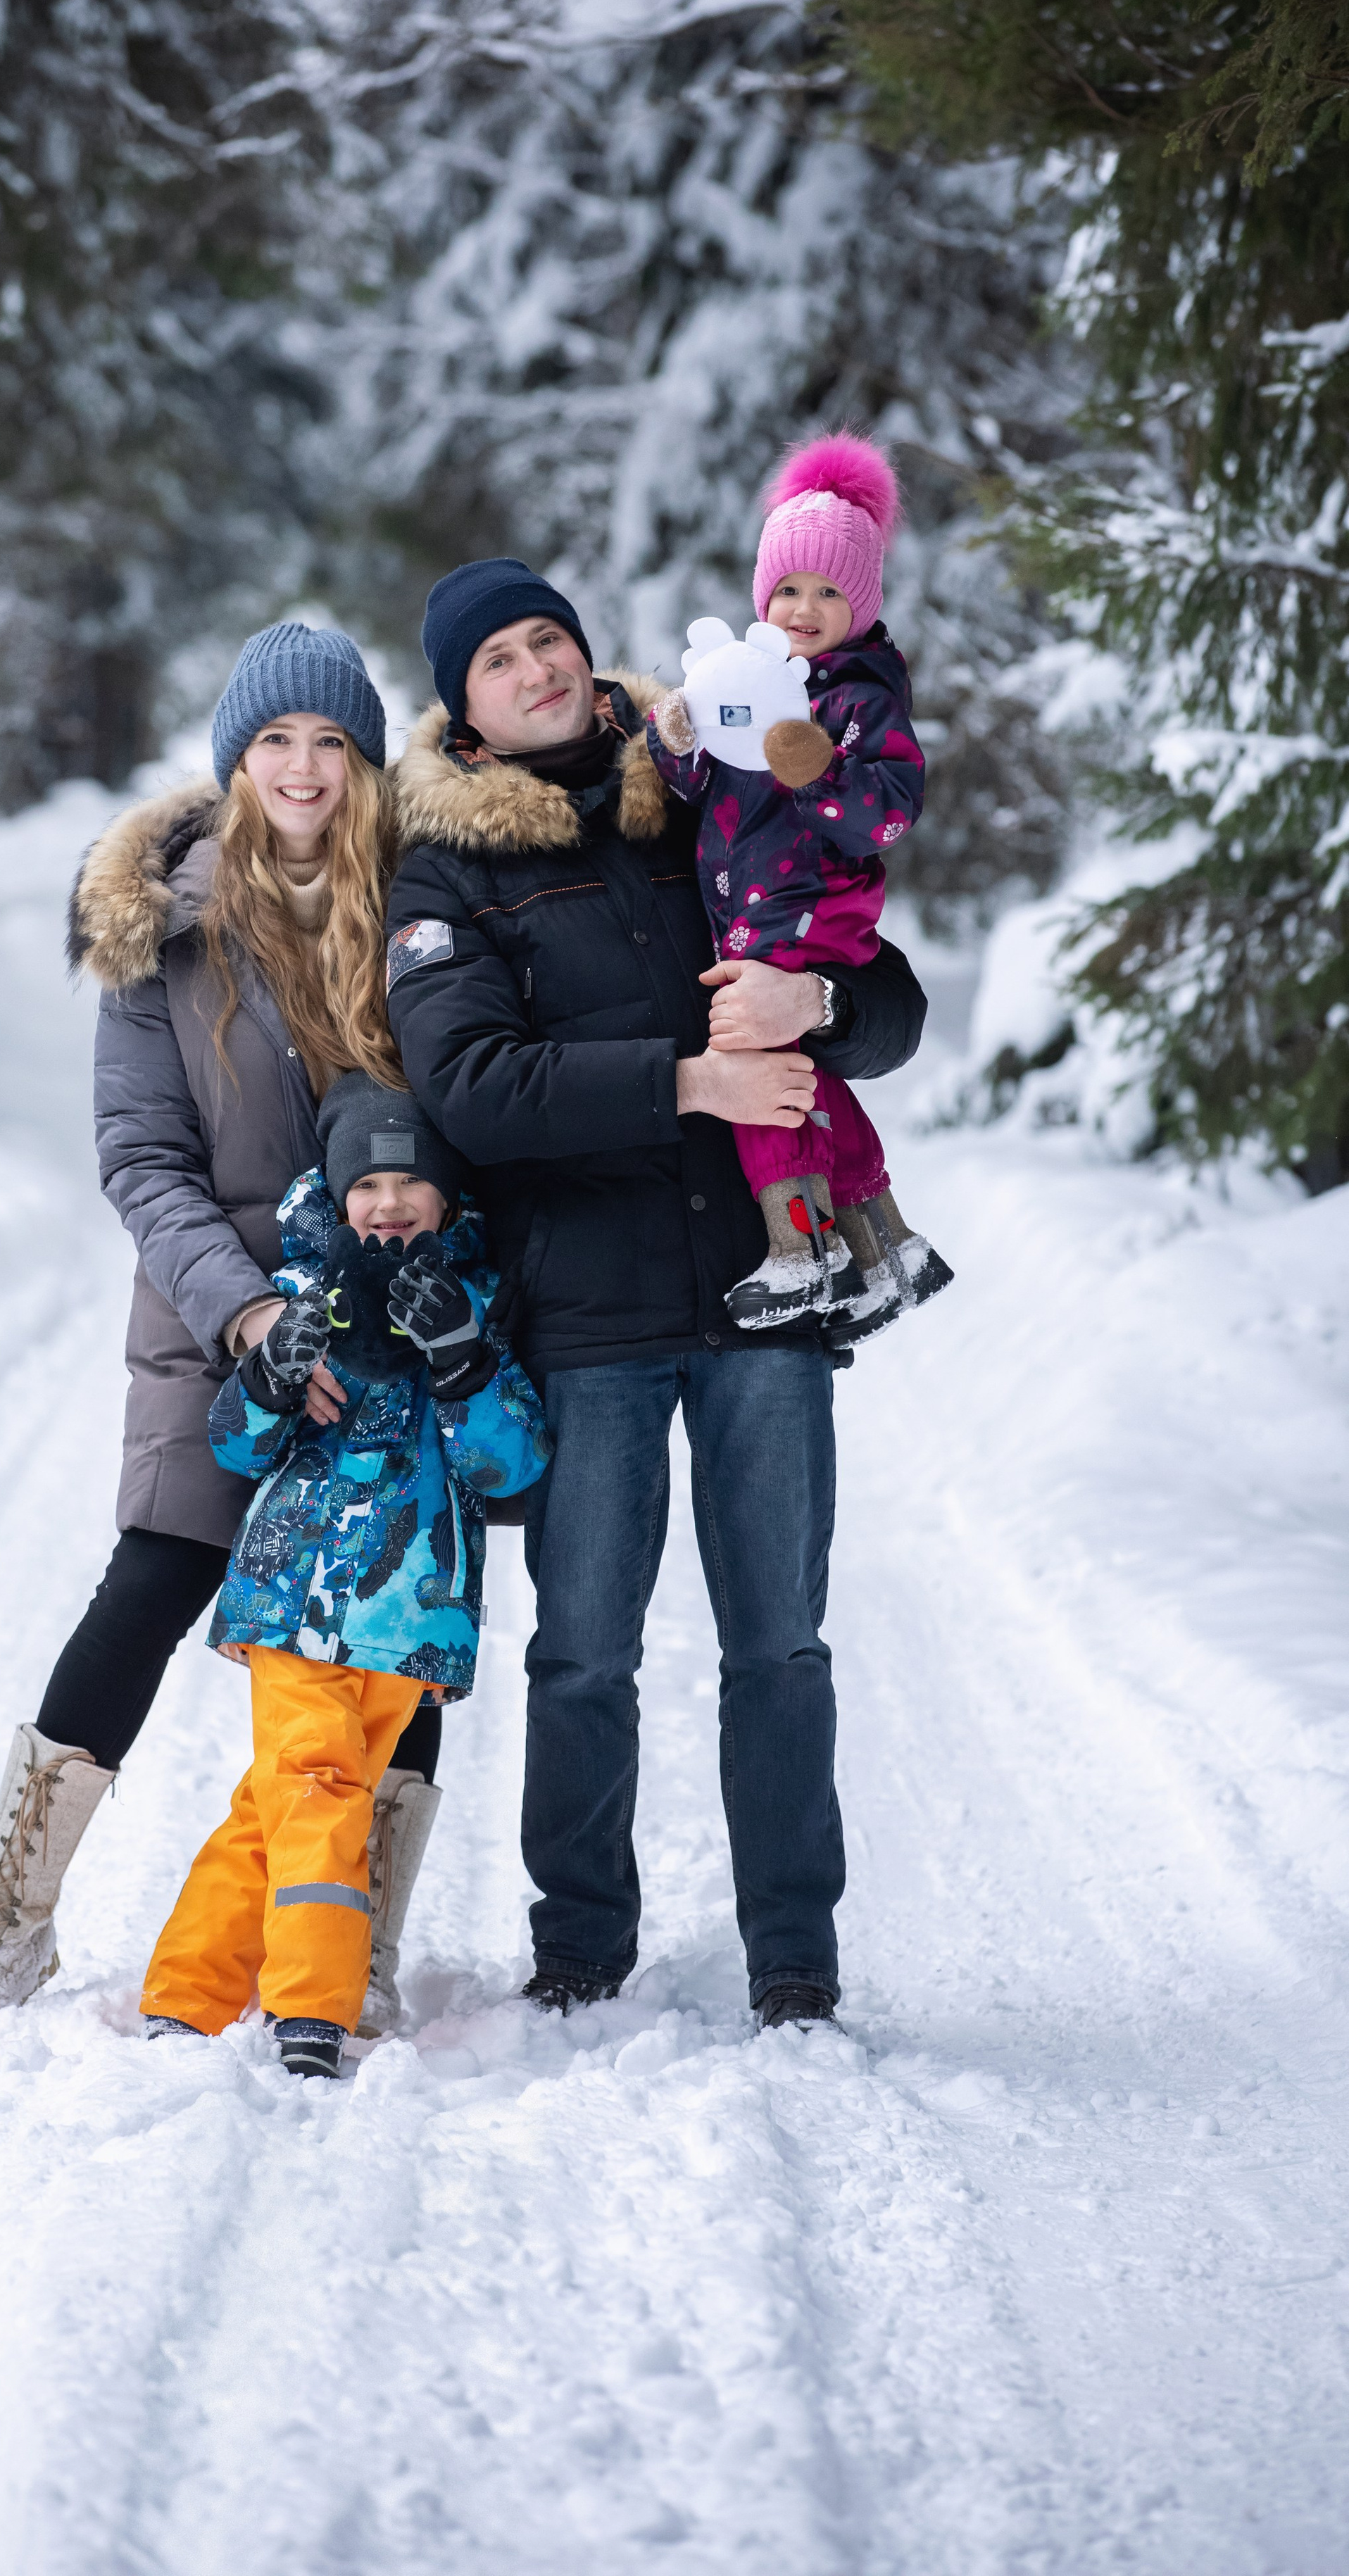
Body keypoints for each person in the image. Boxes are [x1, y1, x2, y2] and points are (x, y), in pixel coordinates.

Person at [383, 555, 927, 2030]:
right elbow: (470, 1085)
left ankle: (795, 1959)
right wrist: (687, 1077)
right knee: (580, 1655)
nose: (536, 667)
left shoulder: (704, 781)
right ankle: (577, 1948)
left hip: (765, 1297)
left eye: (547, 637)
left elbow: (884, 994)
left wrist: (816, 1004)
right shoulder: (440, 872)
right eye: (495, 660)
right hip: (586, 1320)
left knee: (777, 1645)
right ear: (468, 719)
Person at [0, 624, 447, 2039]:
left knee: (385, 1620)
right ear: (232, 761)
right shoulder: (159, 930)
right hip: (213, 1309)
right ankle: (6, 1920)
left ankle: (361, 1932)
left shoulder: (416, 910)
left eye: (331, 743)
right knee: (153, 1578)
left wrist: (423, 1287)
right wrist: (248, 1307)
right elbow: (139, 1159)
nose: (302, 770)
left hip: (381, 1321)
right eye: (274, 742)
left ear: (362, 762)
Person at [137, 1074, 551, 2078]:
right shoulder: (299, 1297)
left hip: (409, 1616)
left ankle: (186, 1997)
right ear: (337, 1192)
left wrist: (460, 1360)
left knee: (279, 1801)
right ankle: (312, 2009)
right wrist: (271, 1380)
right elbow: (235, 1448)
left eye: (414, 1182)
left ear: (448, 1198)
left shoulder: (479, 1306)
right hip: (294, 1601)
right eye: (368, 1183)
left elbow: (514, 1466)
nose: (390, 1202)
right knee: (319, 1786)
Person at [646, 431, 952, 1342]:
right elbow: (698, 793)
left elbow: (887, 817)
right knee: (804, 1074)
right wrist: (679, 741)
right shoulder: (746, 682)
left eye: (828, 591)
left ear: (860, 604)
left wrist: (817, 771)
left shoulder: (861, 702)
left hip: (814, 916)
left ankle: (801, 1246)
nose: (804, 607)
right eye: (788, 588)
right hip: (749, 913)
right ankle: (884, 1241)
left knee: (757, 1067)